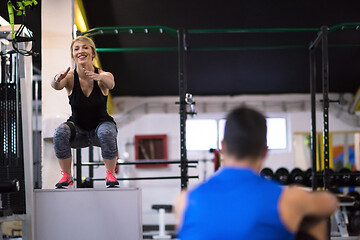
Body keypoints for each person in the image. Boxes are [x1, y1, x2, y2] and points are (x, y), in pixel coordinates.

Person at [175, 107, 339, 240]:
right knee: (313, 221)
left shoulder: (184, 200)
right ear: (264, 151)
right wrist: (300, 194)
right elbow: (331, 203)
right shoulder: (289, 199)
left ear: (222, 148)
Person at [51, 36, 119, 189]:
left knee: (107, 132)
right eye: (76, 49)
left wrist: (100, 77)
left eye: (85, 47)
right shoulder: (69, 78)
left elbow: (111, 83)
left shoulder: (104, 75)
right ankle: (67, 176)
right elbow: (56, 85)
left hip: (100, 130)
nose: (81, 51)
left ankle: (110, 174)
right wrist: (56, 78)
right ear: (73, 55)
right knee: (60, 132)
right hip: (78, 132)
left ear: (93, 53)